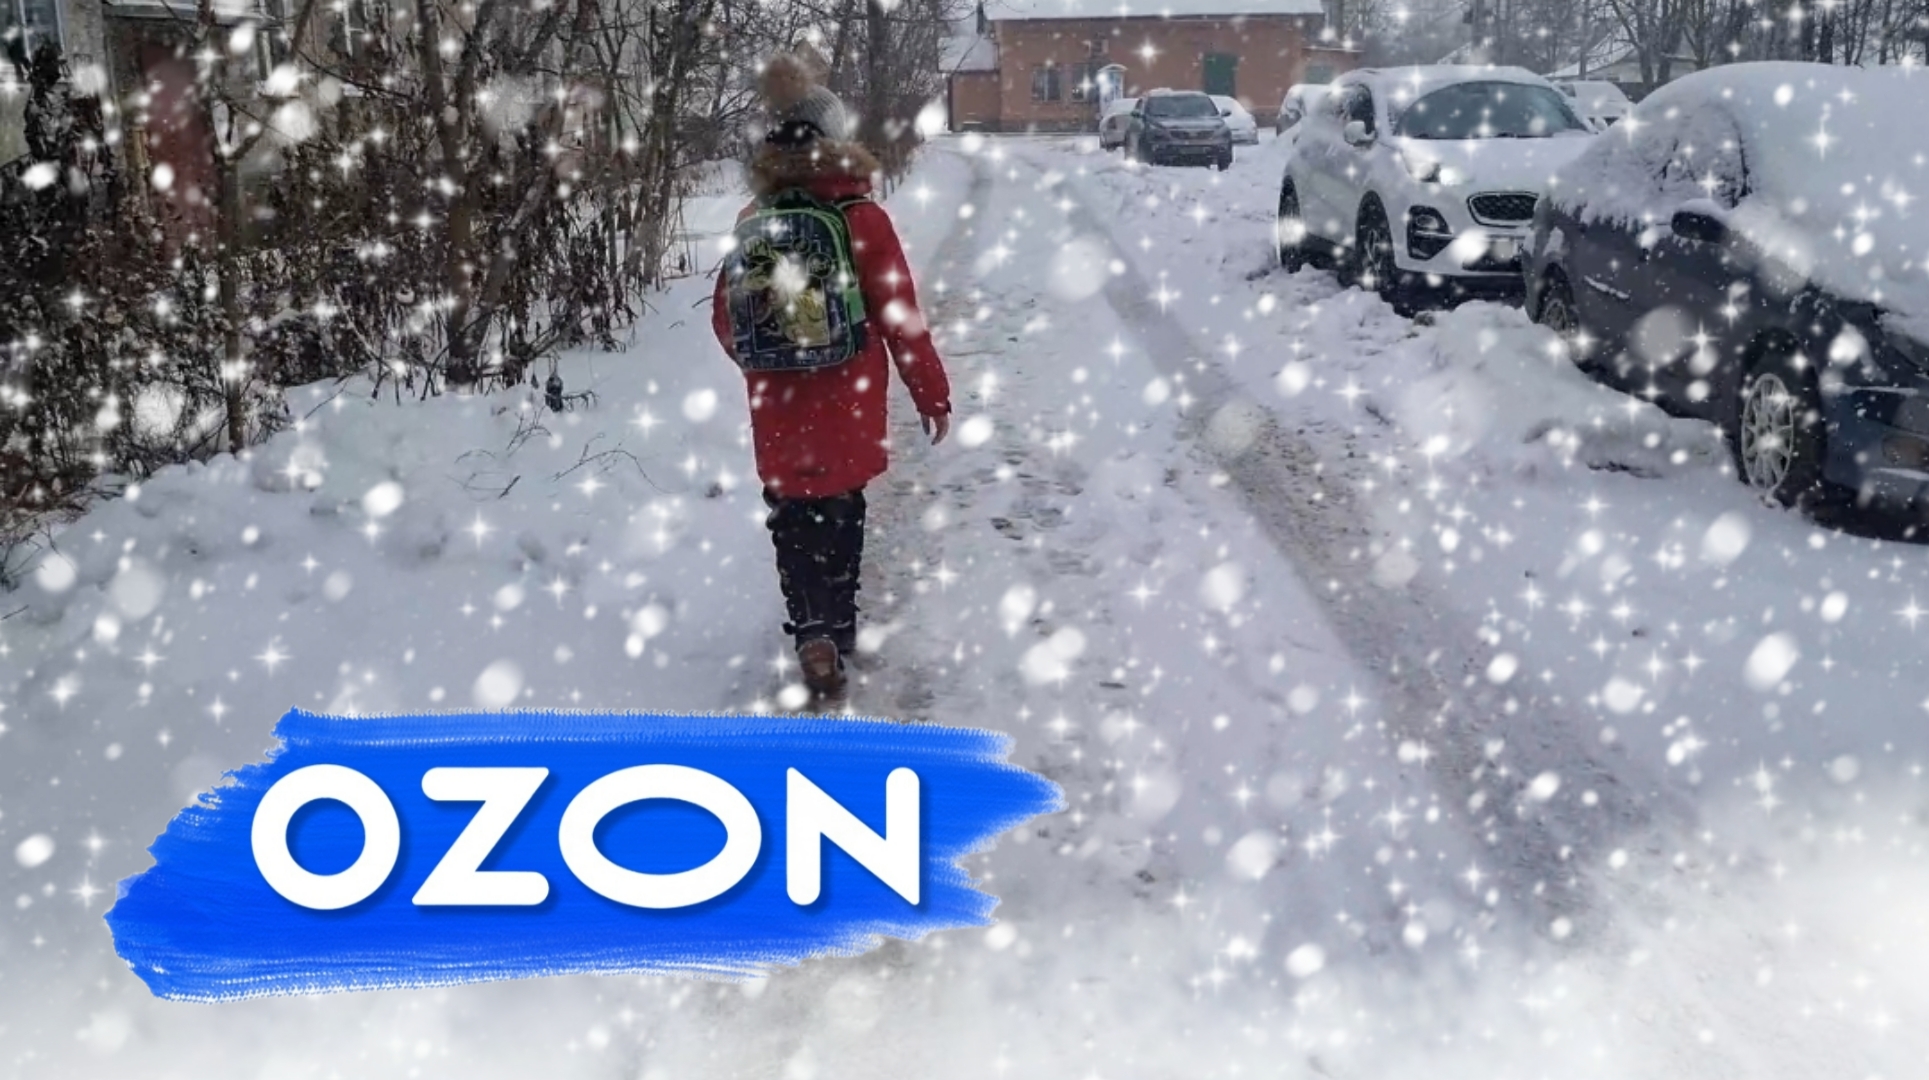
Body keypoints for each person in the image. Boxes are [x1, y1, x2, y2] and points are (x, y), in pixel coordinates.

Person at [711, 52, 952, 698]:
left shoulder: (752, 220)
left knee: (791, 516)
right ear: (835, 141)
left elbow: (727, 321)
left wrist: (770, 360)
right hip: (849, 397)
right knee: (842, 510)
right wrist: (929, 392)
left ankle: (810, 629)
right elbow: (899, 315)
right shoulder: (861, 219)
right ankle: (839, 626)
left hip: (778, 405)